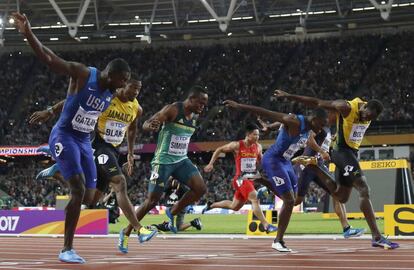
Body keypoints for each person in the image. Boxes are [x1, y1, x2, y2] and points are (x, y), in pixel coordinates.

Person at [12, 12, 133, 263]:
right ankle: (66, 249)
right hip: (64, 135)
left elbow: (69, 102)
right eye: (123, 80)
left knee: (90, 199)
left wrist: (50, 108)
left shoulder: (111, 93)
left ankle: (58, 171)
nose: (123, 86)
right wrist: (28, 34)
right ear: (112, 75)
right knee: (77, 190)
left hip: (84, 141)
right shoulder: (83, 74)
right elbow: (50, 58)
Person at [30, 76, 158, 254]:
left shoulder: (136, 108)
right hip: (97, 145)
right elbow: (74, 100)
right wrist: (51, 110)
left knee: (90, 200)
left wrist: (129, 153)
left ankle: (58, 173)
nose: (136, 93)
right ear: (123, 85)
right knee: (119, 182)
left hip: (113, 151)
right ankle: (139, 229)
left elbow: (132, 129)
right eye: (133, 88)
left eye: (139, 90)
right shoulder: (108, 97)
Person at [273, 89, 399, 249]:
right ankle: (377, 236)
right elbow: (317, 102)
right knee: (364, 189)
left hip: (351, 154)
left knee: (342, 197)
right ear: (364, 107)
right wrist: (289, 95)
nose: (367, 118)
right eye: (367, 115)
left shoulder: (369, 114)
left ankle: (314, 165)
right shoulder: (346, 107)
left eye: (371, 118)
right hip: (341, 153)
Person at [224, 100, 328, 252]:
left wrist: (322, 151)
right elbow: (265, 111)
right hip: (273, 160)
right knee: (289, 200)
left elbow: (309, 140)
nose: (322, 129)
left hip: (285, 162)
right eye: (322, 124)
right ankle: (278, 241)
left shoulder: (309, 129)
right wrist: (240, 106)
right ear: (315, 120)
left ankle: (261, 179)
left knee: (294, 200)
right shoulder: (293, 121)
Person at [119, 86, 208, 252]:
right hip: (163, 162)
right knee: (151, 201)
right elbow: (148, 123)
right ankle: (125, 232)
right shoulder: (173, 109)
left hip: (181, 160)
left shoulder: (194, 117)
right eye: (201, 103)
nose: (203, 106)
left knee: (200, 188)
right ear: (192, 99)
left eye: (205, 104)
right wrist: (149, 126)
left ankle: (172, 211)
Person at [202, 124, 278, 233]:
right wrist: (210, 164)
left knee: (235, 207)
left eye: (258, 135)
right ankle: (266, 225)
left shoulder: (258, 147)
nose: (257, 137)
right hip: (240, 179)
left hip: (251, 179)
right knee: (255, 198)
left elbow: (261, 161)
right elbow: (219, 149)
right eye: (255, 134)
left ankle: (211, 205)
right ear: (248, 134)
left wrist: (269, 166)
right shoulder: (237, 145)